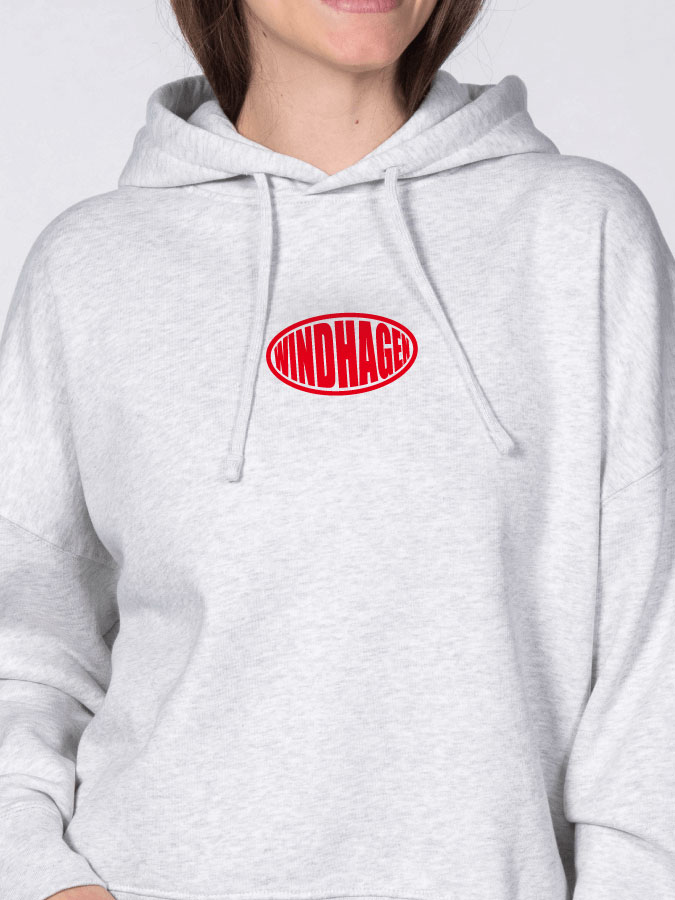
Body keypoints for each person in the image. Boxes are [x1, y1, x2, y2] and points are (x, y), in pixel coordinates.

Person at [1, 1, 674, 899]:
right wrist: (40, 876)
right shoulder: (90, 267)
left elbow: (655, 655)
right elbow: (25, 645)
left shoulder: (580, 233)